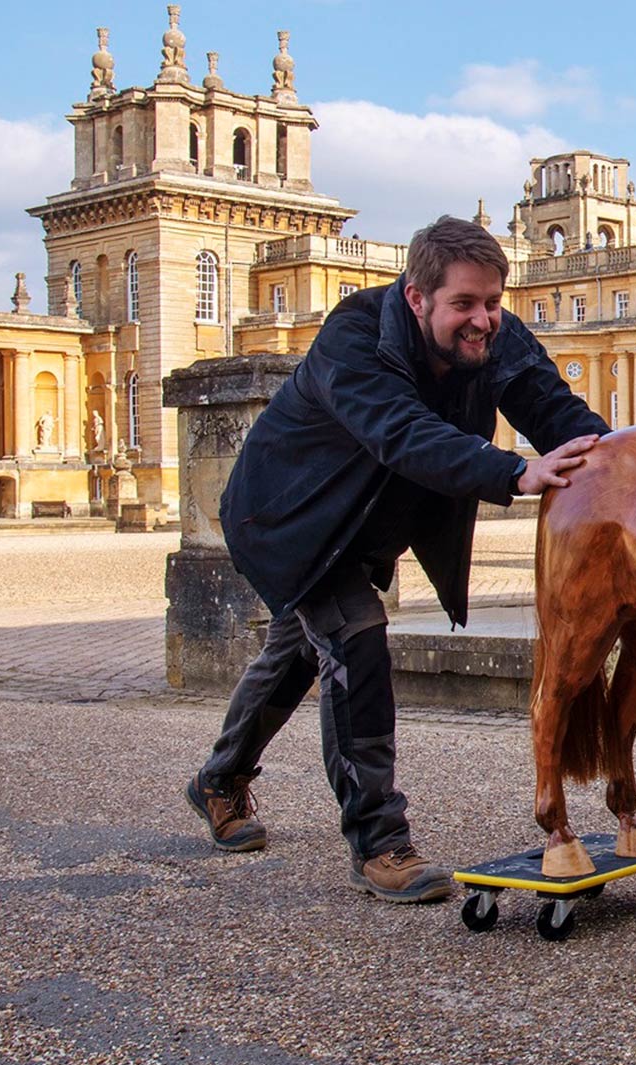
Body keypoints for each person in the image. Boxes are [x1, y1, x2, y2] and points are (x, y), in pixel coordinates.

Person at [186, 216, 609, 902]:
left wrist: (634, 469)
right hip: (289, 517)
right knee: (353, 639)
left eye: (494, 303)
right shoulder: (352, 339)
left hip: (366, 521)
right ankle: (380, 843)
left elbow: (556, 411)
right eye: (464, 305)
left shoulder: (493, 336)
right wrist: (513, 473)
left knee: (298, 650)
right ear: (416, 297)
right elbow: (400, 431)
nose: (483, 320)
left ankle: (218, 780)